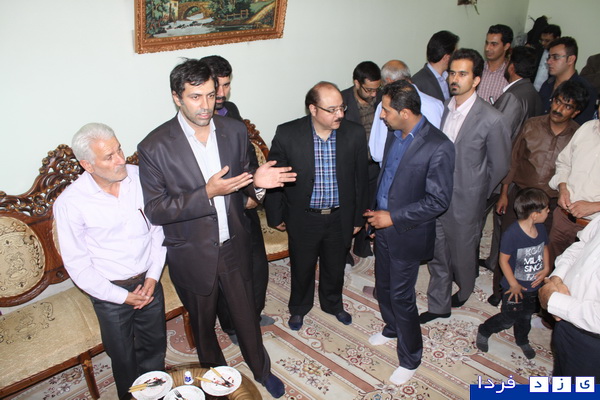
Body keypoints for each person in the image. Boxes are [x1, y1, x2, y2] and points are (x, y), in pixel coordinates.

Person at [137, 59, 295, 398]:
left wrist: (259, 183)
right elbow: (156, 210)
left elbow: (245, 185)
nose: (206, 105)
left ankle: (261, 370)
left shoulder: (234, 130)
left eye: (211, 95)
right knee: (204, 325)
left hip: (235, 244)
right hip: (191, 254)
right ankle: (218, 379)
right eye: (195, 97)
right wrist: (207, 192)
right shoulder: (154, 147)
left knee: (247, 317)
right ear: (177, 97)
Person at [54, 123, 167, 399]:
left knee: (154, 349)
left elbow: (158, 230)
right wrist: (123, 297)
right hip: (108, 292)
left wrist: (153, 277)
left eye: (119, 150)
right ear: (87, 165)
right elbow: (78, 266)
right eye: (109, 156)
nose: (120, 160)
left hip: (149, 281)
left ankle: (156, 393)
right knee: (123, 357)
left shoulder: (140, 177)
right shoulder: (71, 203)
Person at [365, 80, 454, 385]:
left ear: (404, 112)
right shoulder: (394, 135)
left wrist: (393, 217)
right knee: (383, 285)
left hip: (408, 232)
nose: (381, 116)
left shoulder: (439, 146)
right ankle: (391, 328)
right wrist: (376, 214)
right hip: (382, 226)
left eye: (386, 110)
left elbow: (438, 201)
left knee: (402, 296)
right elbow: (386, 179)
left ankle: (411, 358)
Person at [266, 81, 368, 331]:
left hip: (339, 216)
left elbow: (361, 180)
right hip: (304, 217)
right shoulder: (288, 133)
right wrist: (275, 215)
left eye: (342, 108)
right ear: (313, 109)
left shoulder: (354, 133)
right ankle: (299, 307)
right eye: (332, 110)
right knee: (302, 265)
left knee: (335, 265)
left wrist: (358, 218)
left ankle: (333, 304)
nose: (339, 114)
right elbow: (274, 177)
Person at [419, 49, 511, 323]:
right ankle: (439, 305)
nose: (454, 79)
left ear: (476, 79)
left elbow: (500, 165)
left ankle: (466, 288)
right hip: (436, 196)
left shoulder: (492, 119)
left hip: (467, 202)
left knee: (462, 254)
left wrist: (477, 192)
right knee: (437, 253)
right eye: (452, 73)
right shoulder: (443, 108)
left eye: (462, 74)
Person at [487, 81, 585, 306]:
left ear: (576, 112)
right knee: (508, 242)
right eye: (557, 102)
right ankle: (500, 289)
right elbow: (513, 160)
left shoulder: (578, 135)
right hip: (520, 197)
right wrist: (504, 193)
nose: (558, 109)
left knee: (539, 249)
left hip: (551, 203)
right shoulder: (532, 125)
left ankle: (532, 295)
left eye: (567, 106)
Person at [200, 55, 274, 346]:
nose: (222, 93)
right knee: (227, 274)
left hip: (245, 204)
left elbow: (246, 160)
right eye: (216, 87)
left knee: (256, 266)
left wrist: (253, 194)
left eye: (226, 85)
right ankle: (232, 325)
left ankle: (252, 315)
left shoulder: (231, 111)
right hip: (218, 210)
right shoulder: (196, 122)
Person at [476, 188, 551, 360]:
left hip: (533, 286)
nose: (549, 211)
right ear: (535, 215)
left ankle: (522, 339)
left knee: (525, 316)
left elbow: (545, 247)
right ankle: (485, 330)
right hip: (513, 288)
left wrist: (546, 268)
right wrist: (514, 284)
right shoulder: (512, 234)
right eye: (546, 209)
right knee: (508, 318)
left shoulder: (541, 228)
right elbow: (503, 261)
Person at [539, 215, 600, 380]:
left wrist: (554, 301)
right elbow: (582, 244)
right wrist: (557, 278)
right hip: (565, 319)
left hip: (592, 341)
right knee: (561, 374)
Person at [547, 98, 600, 266]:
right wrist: (562, 187)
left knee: (579, 275)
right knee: (550, 268)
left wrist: (595, 206)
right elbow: (564, 163)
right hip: (563, 218)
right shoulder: (586, 128)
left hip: (594, 227)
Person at [340, 61, 381, 259]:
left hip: (374, 164)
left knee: (369, 205)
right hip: (350, 166)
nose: (373, 94)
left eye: (376, 89)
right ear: (356, 83)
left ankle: (362, 245)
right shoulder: (341, 101)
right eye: (369, 90)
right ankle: (343, 251)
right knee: (349, 208)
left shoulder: (382, 99)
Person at [369, 60, 444, 164]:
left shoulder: (384, 106)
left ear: (389, 81)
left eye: (382, 85)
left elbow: (377, 153)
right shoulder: (437, 104)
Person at [539, 37, 598, 125]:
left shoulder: (585, 90)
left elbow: (580, 126)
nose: (549, 62)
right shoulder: (547, 84)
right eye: (549, 57)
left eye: (555, 57)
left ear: (570, 59)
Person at [493, 45, 543, 140]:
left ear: (511, 68)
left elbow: (498, 134)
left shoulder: (511, 96)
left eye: (507, 62)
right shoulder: (534, 93)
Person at [412, 30, 460, 102]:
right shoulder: (418, 83)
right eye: (455, 53)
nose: (457, 58)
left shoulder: (450, 77)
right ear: (446, 58)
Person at [478, 24, 513, 104]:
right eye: (487, 43)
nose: (487, 48)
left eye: (494, 44)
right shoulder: (477, 68)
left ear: (506, 46)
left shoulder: (511, 74)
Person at [533, 24, 561, 91]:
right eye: (542, 40)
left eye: (547, 41)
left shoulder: (561, 56)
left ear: (557, 39)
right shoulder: (537, 50)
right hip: (532, 90)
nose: (543, 43)